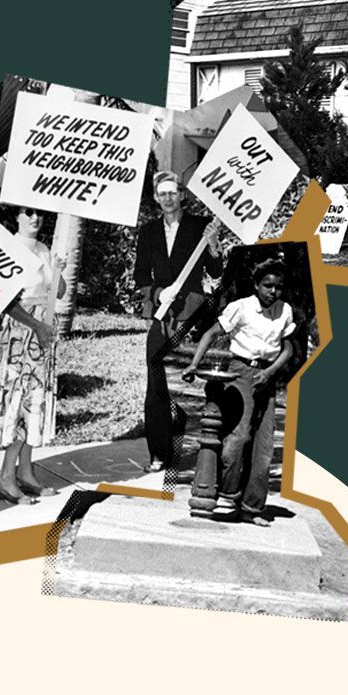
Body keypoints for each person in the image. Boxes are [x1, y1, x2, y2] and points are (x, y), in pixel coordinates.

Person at [181, 257, 300, 525]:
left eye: (278, 287)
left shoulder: (285, 311)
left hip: (267, 375)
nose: (273, 291)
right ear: (257, 285)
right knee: (238, 439)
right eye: (268, 285)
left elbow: (289, 348)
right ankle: (228, 492)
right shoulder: (241, 308)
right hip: (240, 372)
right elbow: (211, 333)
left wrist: (269, 373)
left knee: (264, 447)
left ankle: (251, 509)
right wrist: (193, 363)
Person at [0, 207, 69, 505]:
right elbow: (4, 302)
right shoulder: (8, 248)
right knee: (19, 403)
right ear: (17, 216)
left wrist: (58, 269)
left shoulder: (44, 248)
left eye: (39, 213)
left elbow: (58, 293)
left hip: (44, 331)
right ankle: (4, 478)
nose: (35, 218)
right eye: (28, 212)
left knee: (35, 400)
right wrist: (37, 326)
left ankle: (26, 472)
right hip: (22, 332)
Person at [133, 171, 222, 472]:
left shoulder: (201, 226)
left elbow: (216, 270)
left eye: (173, 192)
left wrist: (212, 246)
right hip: (162, 316)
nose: (168, 198)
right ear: (156, 198)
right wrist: (158, 293)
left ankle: (199, 454)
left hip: (192, 315)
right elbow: (140, 275)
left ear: (182, 195)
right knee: (157, 384)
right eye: (163, 193)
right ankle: (159, 454)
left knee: (190, 382)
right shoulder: (148, 231)